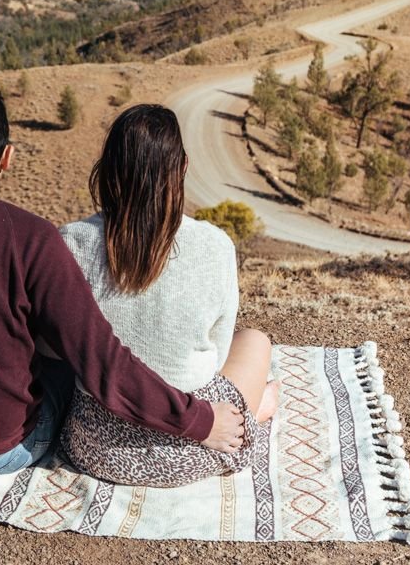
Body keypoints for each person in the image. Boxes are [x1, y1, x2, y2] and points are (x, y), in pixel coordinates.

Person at [0, 84, 244, 477]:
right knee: (60, 356)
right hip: (4, 449)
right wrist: (199, 422)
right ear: (7, 157)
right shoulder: (33, 235)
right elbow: (100, 360)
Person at [59, 104, 278, 488]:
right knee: (255, 342)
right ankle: (254, 411)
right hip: (196, 444)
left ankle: (257, 408)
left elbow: (54, 344)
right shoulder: (215, 245)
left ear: (109, 168)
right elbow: (219, 354)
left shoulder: (71, 241)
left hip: (97, 447)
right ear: (183, 167)